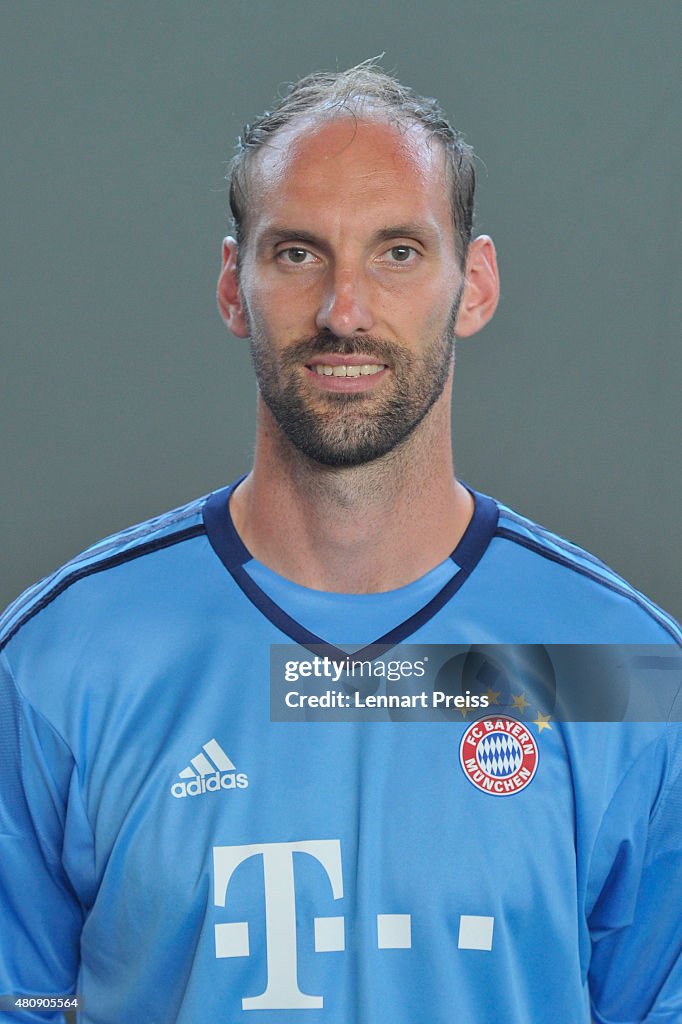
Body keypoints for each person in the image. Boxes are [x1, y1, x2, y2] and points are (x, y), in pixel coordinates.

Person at [0, 60, 680, 1024]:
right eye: (297, 254)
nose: (344, 311)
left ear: (474, 285)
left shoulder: (620, 667)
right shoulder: (61, 664)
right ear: (234, 287)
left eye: (398, 252)